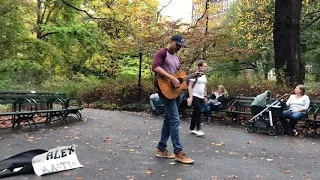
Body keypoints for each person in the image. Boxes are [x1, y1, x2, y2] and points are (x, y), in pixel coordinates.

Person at [152, 34, 194, 164]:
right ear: (171, 41)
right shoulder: (162, 52)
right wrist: (171, 78)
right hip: (164, 91)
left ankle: (161, 148)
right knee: (175, 120)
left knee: (168, 120)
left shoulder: (176, 58)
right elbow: (155, 67)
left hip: (175, 92)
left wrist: (191, 76)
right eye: (177, 45)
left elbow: (177, 77)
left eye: (181, 47)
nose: (179, 48)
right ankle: (178, 152)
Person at [187, 60, 208, 137]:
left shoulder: (204, 76)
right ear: (200, 66)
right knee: (199, 111)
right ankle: (198, 129)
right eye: (204, 66)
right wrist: (190, 97)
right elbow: (189, 86)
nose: (206, 67)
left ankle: (192, 129)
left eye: (206, 66)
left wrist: (205, 96)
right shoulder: (195, 75)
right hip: (195, 95)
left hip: (201, 96)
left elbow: (204, 87)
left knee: (196, 112)